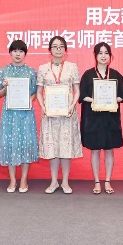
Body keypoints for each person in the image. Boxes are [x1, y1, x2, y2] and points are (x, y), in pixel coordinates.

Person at [36, 36, 82, 194]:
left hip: (67, 114)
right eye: (55, 46)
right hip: (50, 115)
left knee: (66, 148)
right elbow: (39, 92)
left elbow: (77, 91)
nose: (58, 49)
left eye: (61, 46)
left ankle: (65, 182)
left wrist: (72, 106)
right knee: (53, 148)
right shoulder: (43, 68)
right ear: (50, 50)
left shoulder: (72, 67)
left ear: (65, 49)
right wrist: (43, 107)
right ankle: (54, 181)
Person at [79, 42, 123, 194]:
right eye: (100, 53)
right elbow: (82, 96)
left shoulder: (116, 75)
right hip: (93, 118)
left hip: (111, 118)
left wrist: (112, 99)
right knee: (95, 150)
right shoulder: (88, 75)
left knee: (110, 150)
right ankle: (97, 181)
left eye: (106, 53)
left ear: (110, 56)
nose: (103, 56)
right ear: (95, 55)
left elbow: (121, 96)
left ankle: (108, 181)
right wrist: (96, 100)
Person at [0, 40, 38, 193]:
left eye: (21, 51)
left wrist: (28, 101)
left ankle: (24, 179)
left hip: (26, 113)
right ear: (10, 53)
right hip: (9, 114)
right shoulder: (3, 71)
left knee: (26, 144)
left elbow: (35, 93)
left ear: (25, 54)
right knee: (10, 144)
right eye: (14, 51)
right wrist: (5, 86)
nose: (17, 54)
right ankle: (12, 180)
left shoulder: (31, 72)